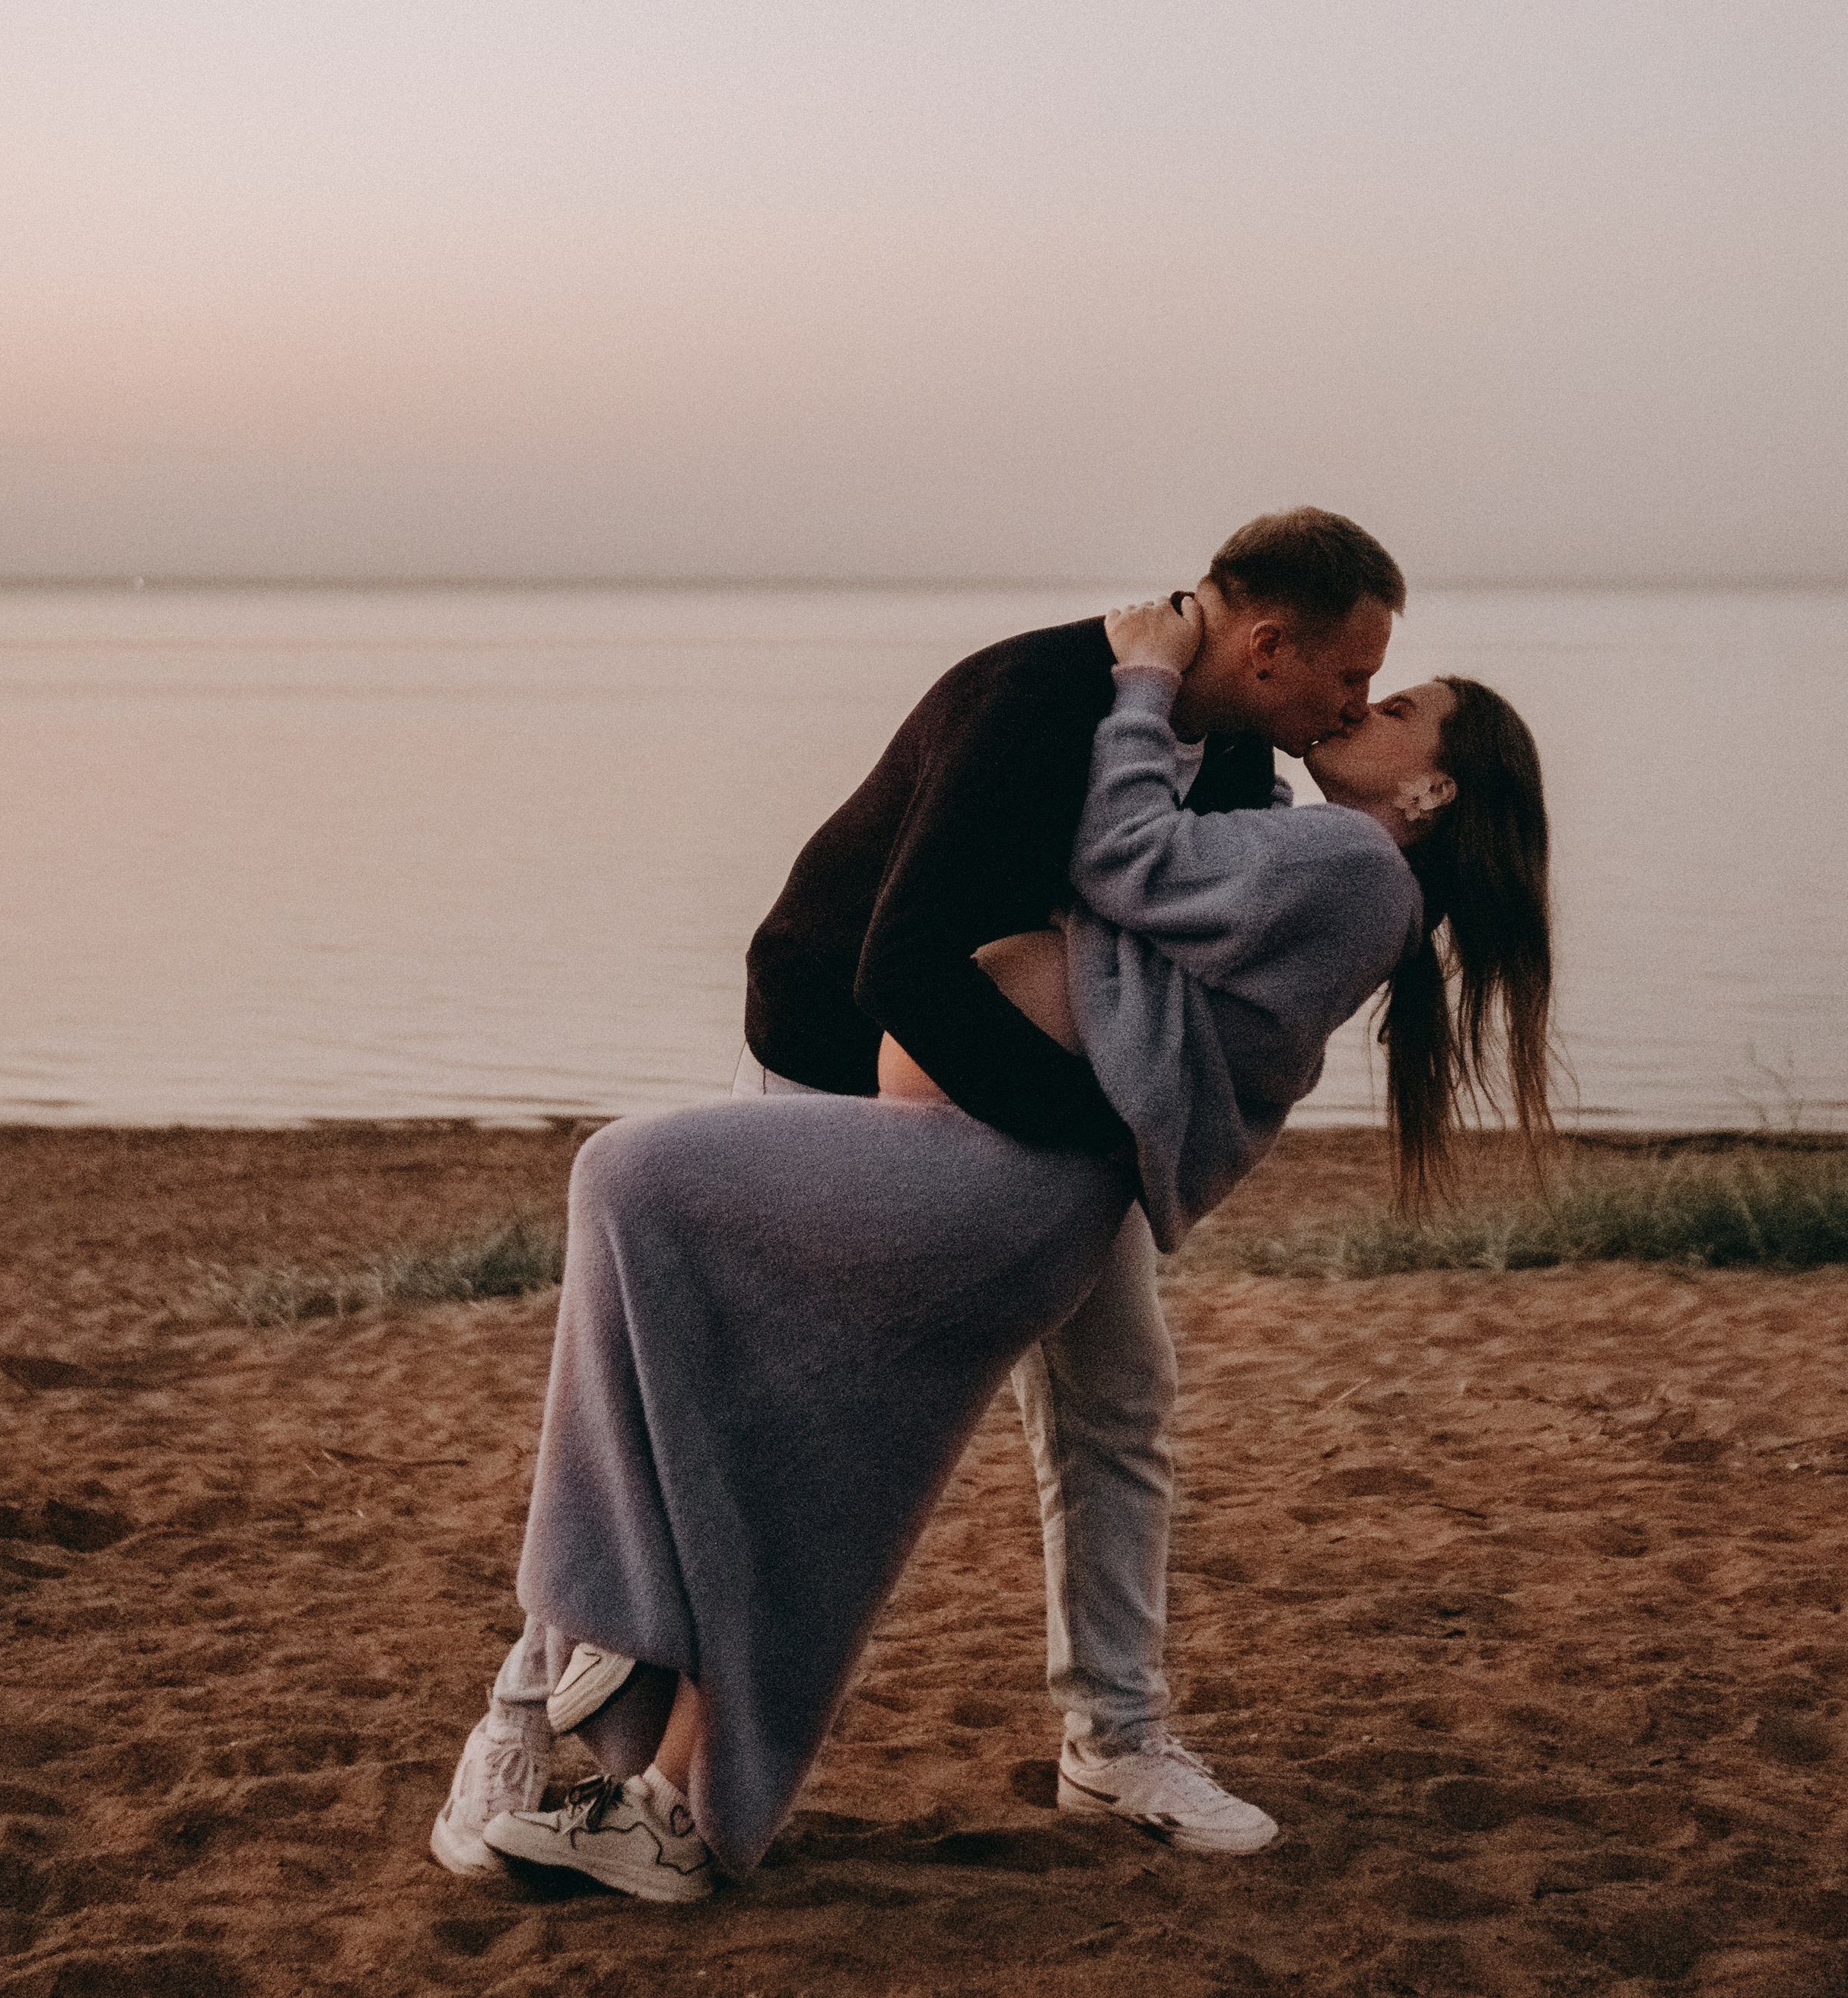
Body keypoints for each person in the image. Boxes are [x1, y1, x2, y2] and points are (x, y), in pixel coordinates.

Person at [429, 584, 1554, 1901]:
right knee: (791, 1432)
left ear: (1433, 789)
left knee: (1001, 1399)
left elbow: (1127, 865)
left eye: (1392, 699)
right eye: (1357, 675)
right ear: (1267, 645)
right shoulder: (1143, 753)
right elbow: (996, 936)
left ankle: (1079, 1739)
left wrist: (1140, 688)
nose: (1360, 702)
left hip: (1020, 1160)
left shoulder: (1324, 839)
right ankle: (586, 1744)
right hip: (929, 1118)